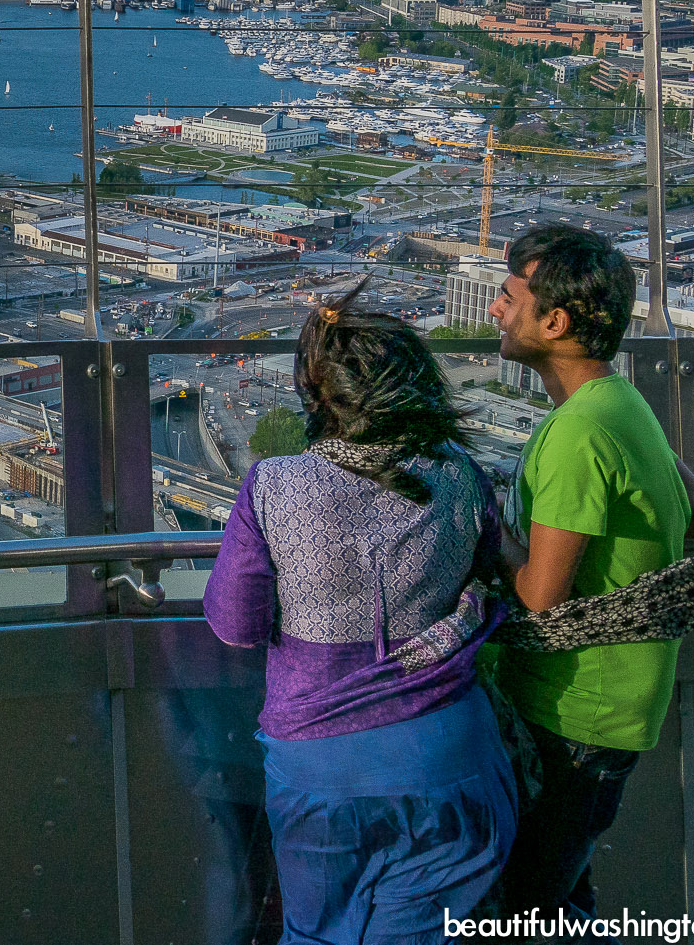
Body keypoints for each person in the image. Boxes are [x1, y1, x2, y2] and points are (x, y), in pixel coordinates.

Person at [205, 292, 517, 943]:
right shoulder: (461, 475)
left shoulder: (274, 486)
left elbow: (236, 624)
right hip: (449, 755)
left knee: (316, 933)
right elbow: (496, 572)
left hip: (320, 769)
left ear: (316, 393)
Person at [489, 225, 694, 920]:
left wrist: (483, 525)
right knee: (561, 904)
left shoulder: (580, 432)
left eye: (508, 298)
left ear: (554, 323)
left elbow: (539, 597)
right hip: (614, 708)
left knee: (521, 913)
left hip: (573, 715)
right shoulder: (618, 405)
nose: (495, 309)